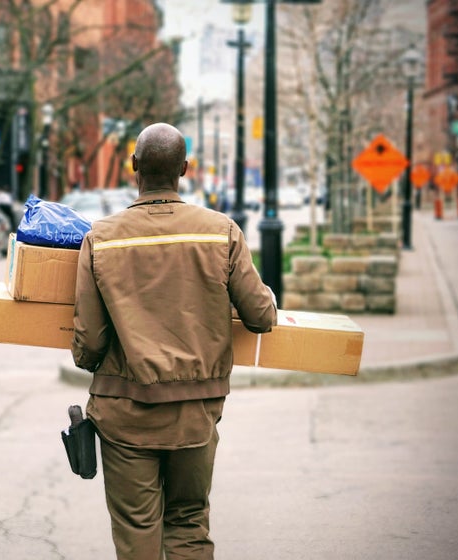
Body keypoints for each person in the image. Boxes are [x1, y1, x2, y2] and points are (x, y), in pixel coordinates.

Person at [72, 123, 278, 559]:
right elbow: (261, 317)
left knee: (137, 529)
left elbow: (89, 343)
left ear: (133, 168)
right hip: (195, 415)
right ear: (184, 169)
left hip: (124, 413)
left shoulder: (101, 238)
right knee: (187, 522)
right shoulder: (220, 232)